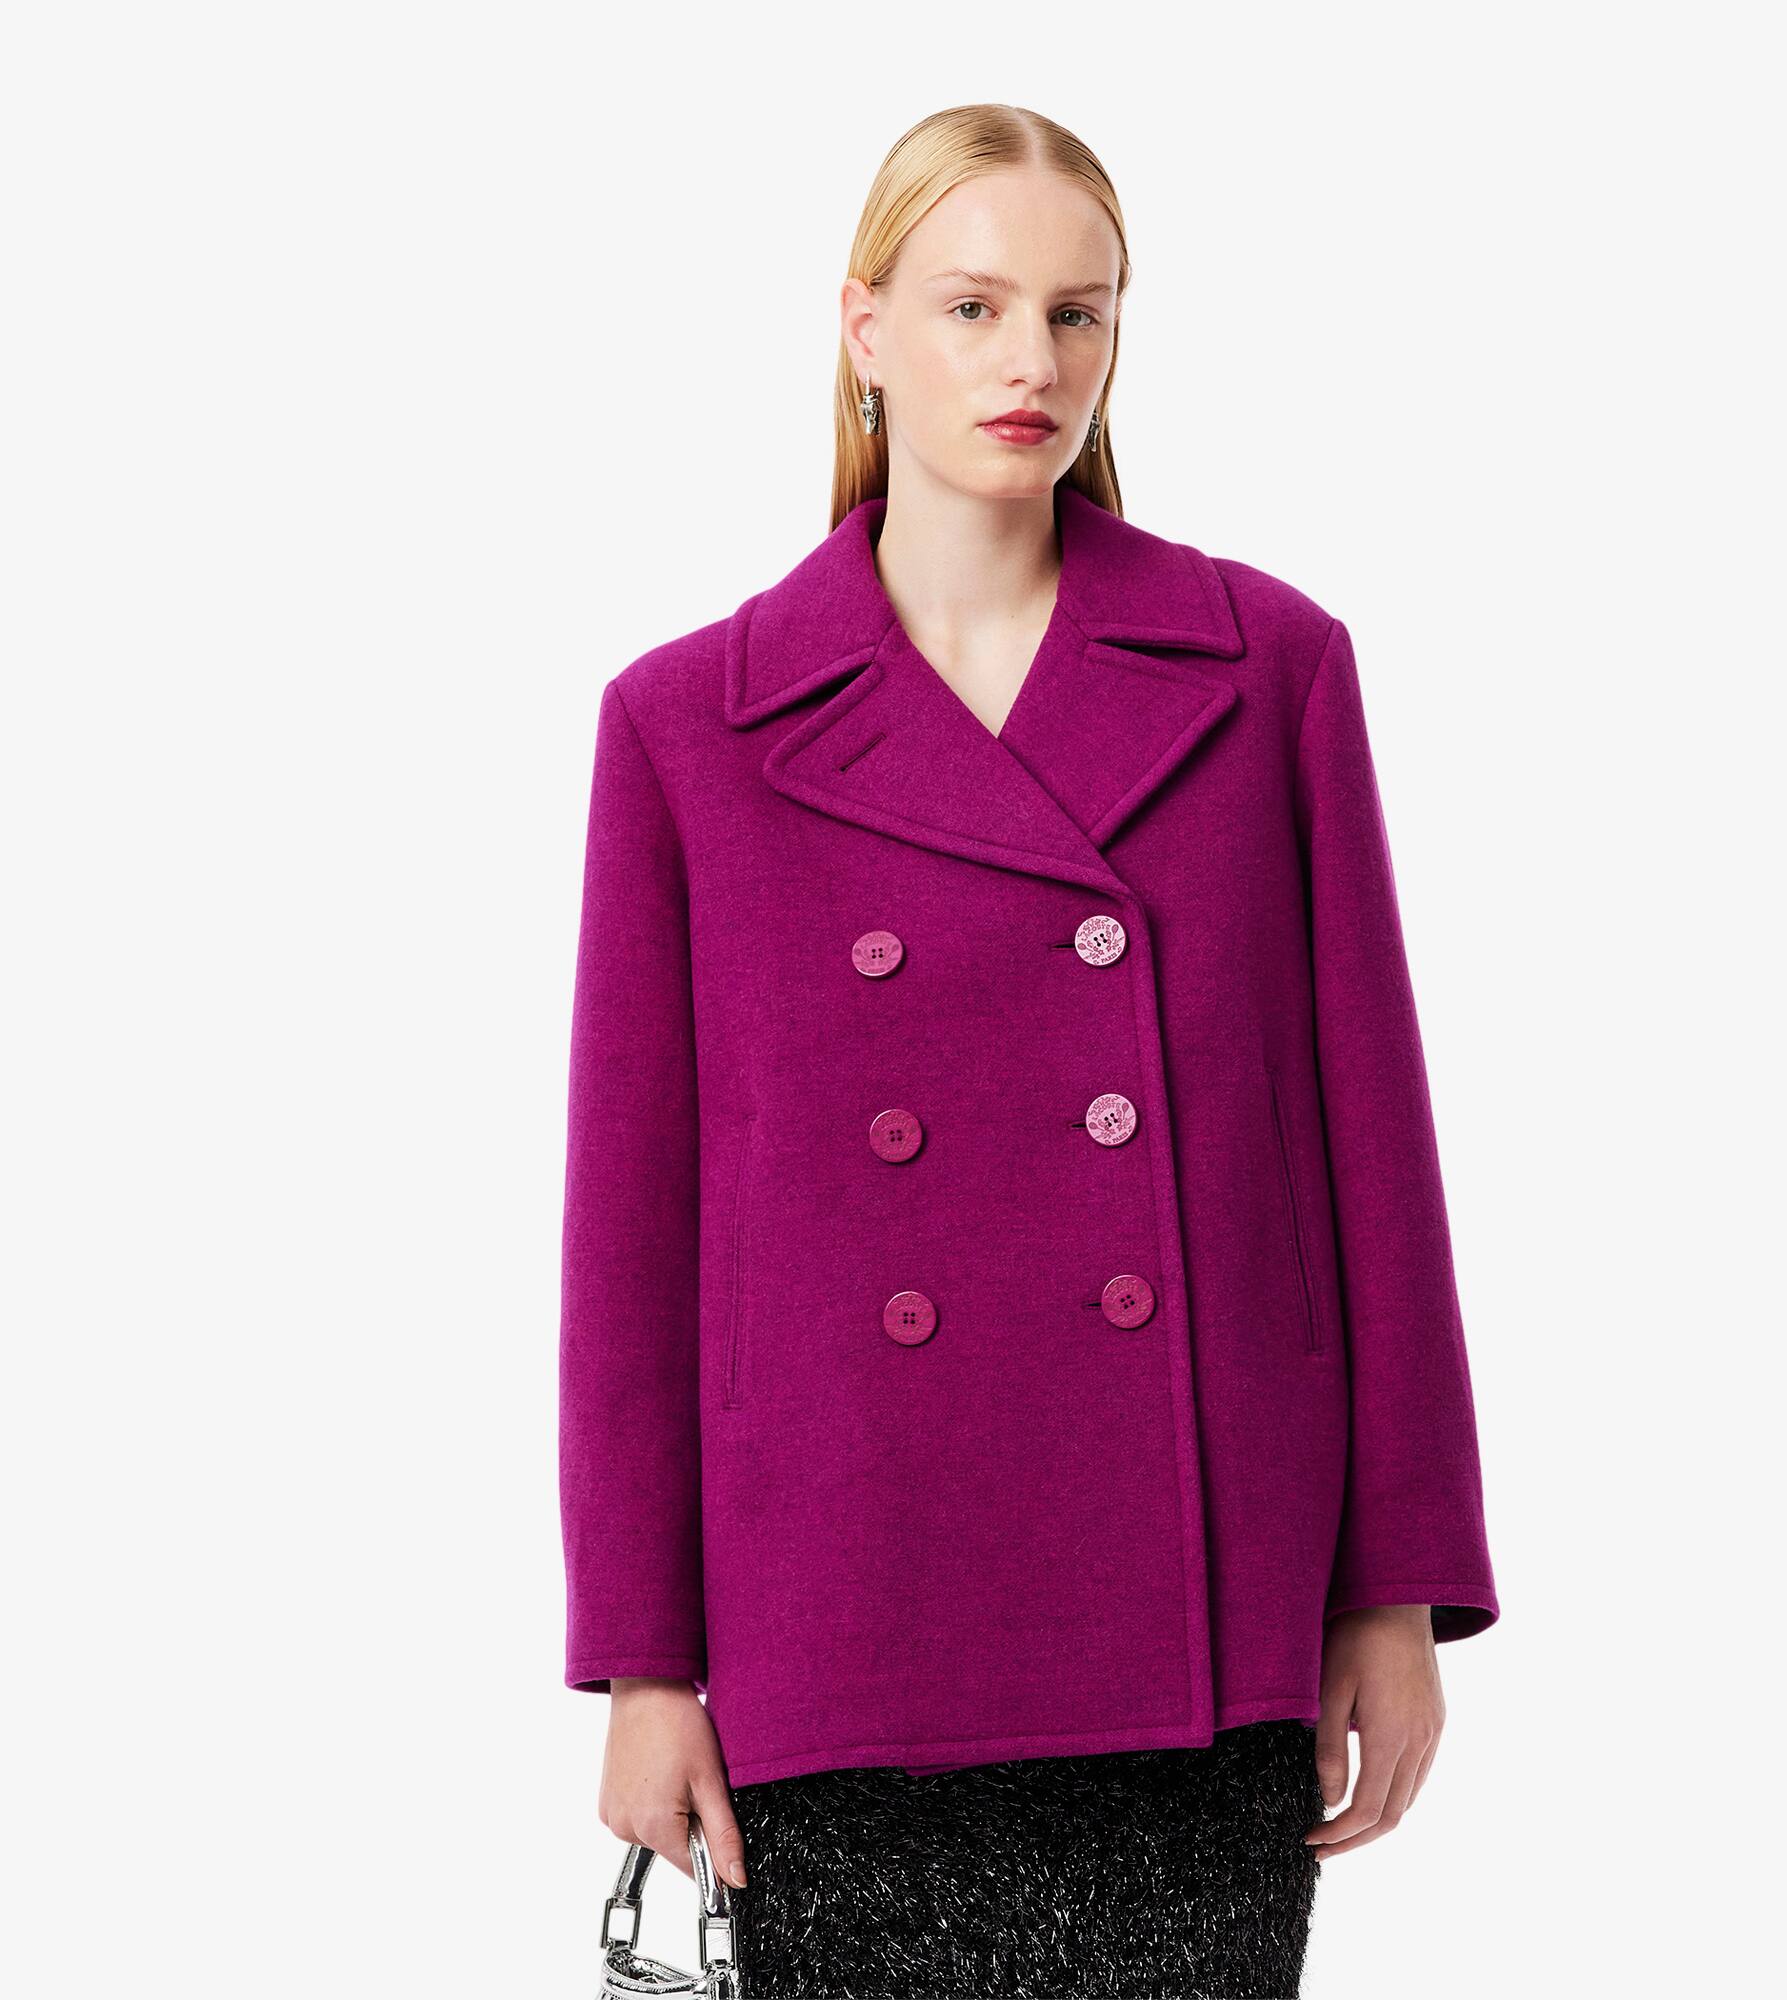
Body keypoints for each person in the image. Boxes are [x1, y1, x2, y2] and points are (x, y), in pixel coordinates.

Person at [560, 102, 1498, 1999]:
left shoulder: (1267, 670)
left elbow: (1370, 1160)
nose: (1031, 363)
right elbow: (636, 1238)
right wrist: (645, 1666)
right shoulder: (688, 727)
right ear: (864, 327)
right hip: (848, 1606)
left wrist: (1393, 1590)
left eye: (1078, 314)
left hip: (1203, 1614)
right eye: (973, 306)